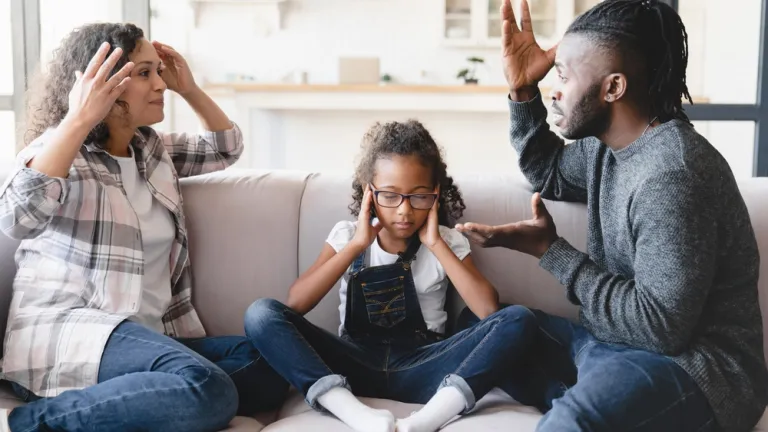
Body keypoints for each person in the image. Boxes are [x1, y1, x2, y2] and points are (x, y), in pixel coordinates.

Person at [455, 0, 768, 431]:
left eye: (563, 76)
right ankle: (598, 400)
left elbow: (660, 330)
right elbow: (547, 171)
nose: (555, 88)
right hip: (612, 345)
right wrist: (522, 90)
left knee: (567, 423)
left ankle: (588, 405)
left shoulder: (674, 174)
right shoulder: (608, 146)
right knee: (481, 327)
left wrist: (552, 252)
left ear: (613, 87)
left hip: (694, 370)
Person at [0, 23, 287, 431]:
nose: (161, 85)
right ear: (102, 83)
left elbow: (227, 147)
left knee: (270, 361)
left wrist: (189, 87)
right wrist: (79, 118)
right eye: (144, 73)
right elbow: (16, 218)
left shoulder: (150, 150)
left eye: (159, 71)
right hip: (72, 334)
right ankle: (30, 421)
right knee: (210, 389)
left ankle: (149, 398)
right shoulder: (59, 152)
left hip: (149, 336)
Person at [245, 120, 537, 432]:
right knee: (260, 314)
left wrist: (436, 244)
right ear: (369, 191)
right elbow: (296, 303)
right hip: (353, 365)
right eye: (390, 195)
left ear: (436, 193)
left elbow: (487, 310)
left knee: (518, 318)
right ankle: (352, 413)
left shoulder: (448, 241)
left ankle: (429, 419)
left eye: (419, 196)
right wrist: (358, 244)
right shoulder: (347, 236)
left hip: (425, 367)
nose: (404, 211)